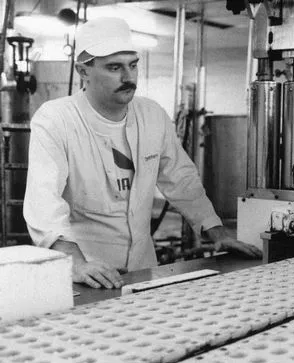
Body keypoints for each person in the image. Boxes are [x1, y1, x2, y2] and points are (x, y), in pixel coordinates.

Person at [23, 17, 261, 289]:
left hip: (143, 272)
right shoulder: (57, 119)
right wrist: (75, 262)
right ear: (83, 71)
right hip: (85, 274)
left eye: (133, 65)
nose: (128, 78)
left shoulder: (151, 115)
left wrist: (216, 232)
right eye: (114, 67)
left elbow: (181, 179)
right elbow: (43, 201)